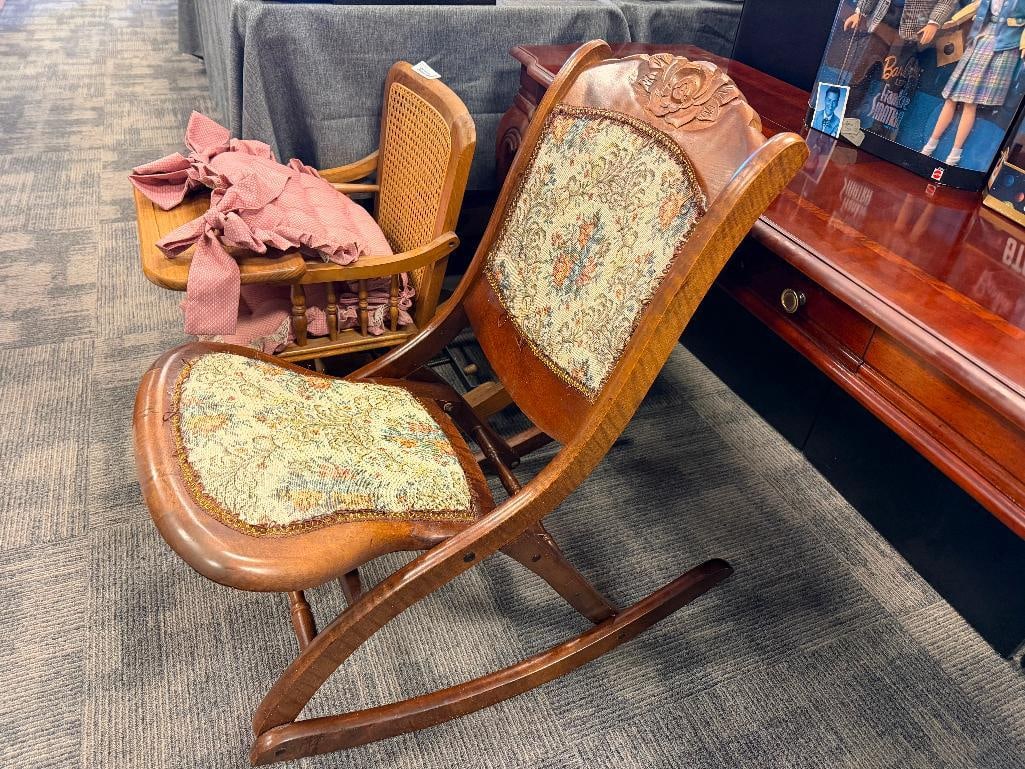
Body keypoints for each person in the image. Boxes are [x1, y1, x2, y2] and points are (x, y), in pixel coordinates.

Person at [922, 0, 1025, 166]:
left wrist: (1023, 45)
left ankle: (955, 154)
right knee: (951, 97)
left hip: (1002, 45)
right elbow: (976, 6)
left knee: (970, 103)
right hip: (979, 40)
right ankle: (930, 145)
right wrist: (955, 20)